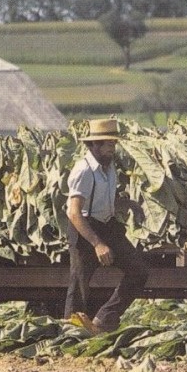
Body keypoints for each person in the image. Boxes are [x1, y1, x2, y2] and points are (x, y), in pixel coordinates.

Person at [64, 118, 148, 336]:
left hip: (107, 224)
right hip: (85, 229)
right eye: (108, 144)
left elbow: (105, 201)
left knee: (138, 271)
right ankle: (70, 334)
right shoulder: (83, 171)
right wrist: (97, 244)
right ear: (94, 145)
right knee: (79, 286)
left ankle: (104, 319)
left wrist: (128, 204)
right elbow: (74, 212)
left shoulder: (109, 167)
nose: (112, 149)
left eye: (113, 144)